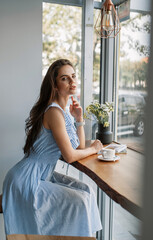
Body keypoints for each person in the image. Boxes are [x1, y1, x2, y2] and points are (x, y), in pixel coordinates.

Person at [2, 59, 103, 237]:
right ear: (55, 85)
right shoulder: (54, 112)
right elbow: (71, 156)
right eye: (65, 78)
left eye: (73, 76)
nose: (72, 81)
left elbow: (78, 147)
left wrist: (79, 119)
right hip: (27, 178)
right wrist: (94, 148)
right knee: (80, 201)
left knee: (88, 191)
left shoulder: (63, 112)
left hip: (42, 174)